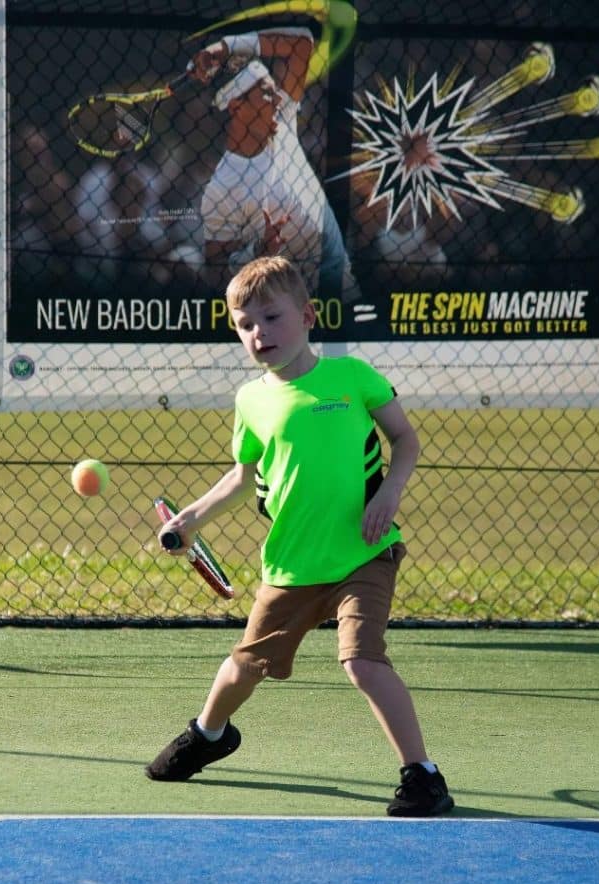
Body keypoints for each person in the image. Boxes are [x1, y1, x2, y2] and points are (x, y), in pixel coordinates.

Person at [146, 256, 453, 818]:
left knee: (361, 660)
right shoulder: (251, 400)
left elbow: (405, 440)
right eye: (246, 324)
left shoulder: (352, 376)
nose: (259, 332)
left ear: (308, 316)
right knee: (245, 663)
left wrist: (390, 495)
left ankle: (423, 776)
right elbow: (241, 477)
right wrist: (188, 519)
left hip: (365, 552)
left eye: (272, 317)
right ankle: (209, 735)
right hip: (291, 564)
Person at [190, 27, 358, 301]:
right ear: (236, 107)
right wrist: (258, 251)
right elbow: (217, 273)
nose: (279, 99)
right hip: (283, 309)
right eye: (268, 94)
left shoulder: (282, 120)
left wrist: (225, 46)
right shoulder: (221, 188)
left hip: (342, 292)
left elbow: (302, 43)